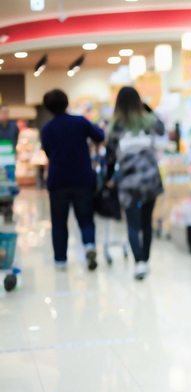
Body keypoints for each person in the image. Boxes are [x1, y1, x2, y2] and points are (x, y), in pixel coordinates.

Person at [39, 89, 104, 271]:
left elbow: (48, 152)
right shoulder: (79, 122)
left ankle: (60, 260)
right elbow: (99, 136)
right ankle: (89, 246)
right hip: (82, 178)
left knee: (59, 222)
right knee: (85, 219)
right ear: (67, 102)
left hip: (58, 180)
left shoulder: (47, 129)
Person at [105, 86, 164, 281]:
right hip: (150, 178)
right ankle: (144, 260)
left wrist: (108, 178)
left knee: (132, 223)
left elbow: (110, 156)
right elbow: (162, 128)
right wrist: (147, 107)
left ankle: (139, 261)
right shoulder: (148, 121)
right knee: (147, 222)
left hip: (128, 180)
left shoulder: (115, 126)